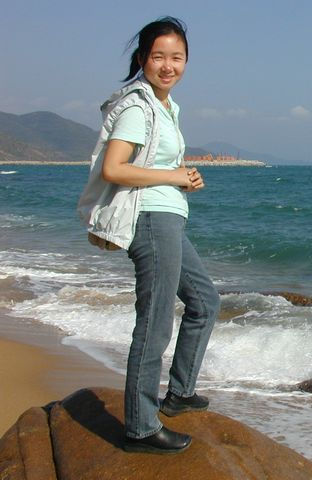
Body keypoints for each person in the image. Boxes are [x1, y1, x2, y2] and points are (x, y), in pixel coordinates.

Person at [77, 17, 220, 454]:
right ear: (142, 59)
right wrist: (174, 176)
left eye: (177, 57)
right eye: (158, 56)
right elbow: (114, 168)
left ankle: (179, 393)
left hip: (168, 217)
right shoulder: (138, 107)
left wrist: (183, 178)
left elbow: (154, 165)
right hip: (150, 220)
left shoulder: (166, 107)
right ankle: (140, 427)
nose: (168, 65)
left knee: (204, 301)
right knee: (155, 322)